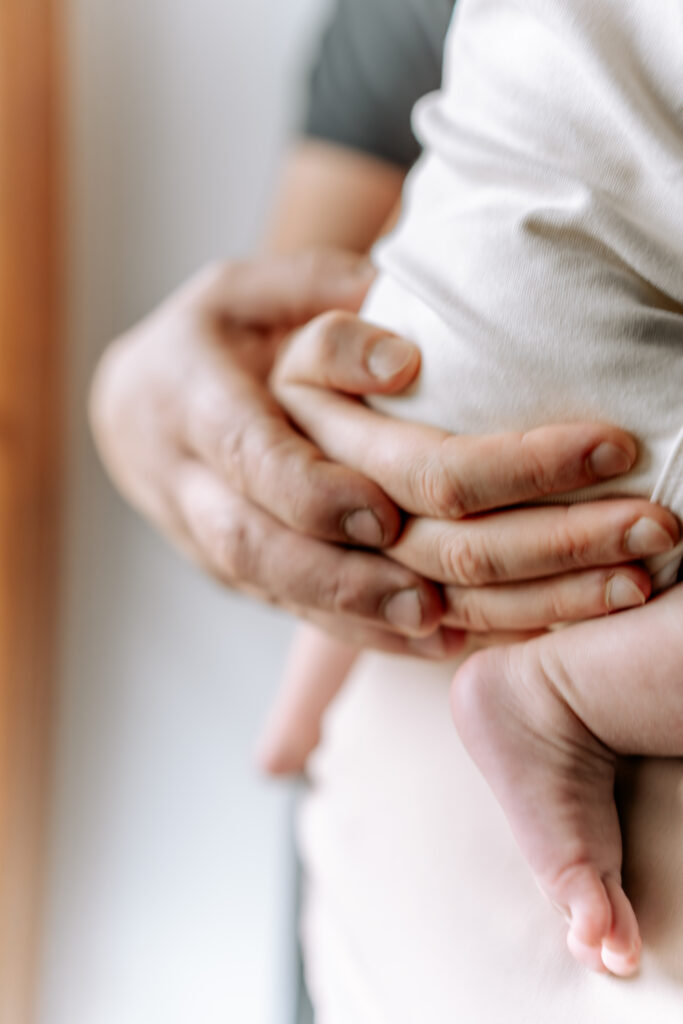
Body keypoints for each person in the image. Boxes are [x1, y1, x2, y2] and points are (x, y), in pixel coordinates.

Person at [88, 0, 683, 1019]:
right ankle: (548, 693)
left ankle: (305, 705)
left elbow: (374, 333)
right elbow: (268, 359)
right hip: (461, 889)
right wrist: (142, 407)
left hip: (448, 389)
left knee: (401, 517)